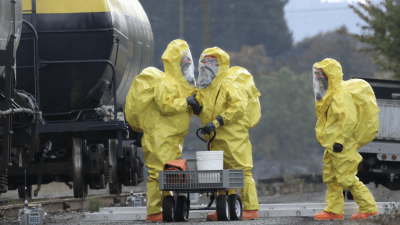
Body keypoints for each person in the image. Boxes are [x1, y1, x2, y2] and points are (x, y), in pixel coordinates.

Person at [125, 39, 201, 222]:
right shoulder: (166, 83)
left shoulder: (186, 85)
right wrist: (186, 103)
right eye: (183, 60)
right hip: (159, 136)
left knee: (169, 173)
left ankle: (168, 206)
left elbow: (188, 105)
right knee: (158, 173)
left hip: (173, 137)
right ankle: (155, 211)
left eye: (187, 60)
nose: (186, 63)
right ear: (174, 61)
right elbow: (165, 105)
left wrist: (196, 107)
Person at [195, 47, 261, 220]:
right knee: (220, 174)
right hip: (215, 138)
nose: (208, 67)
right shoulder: (206, 87)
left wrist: (217, 122)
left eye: (212, 63)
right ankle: (224, 208)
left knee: (242, 170)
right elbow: (205, 109)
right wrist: (195, 106)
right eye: (205, 63)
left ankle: (251, 208)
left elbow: (239, 107)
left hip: (233, 137)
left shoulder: (228, 83)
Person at [312, 58, 380, 221]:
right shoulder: (330, 96)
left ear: (331, 77)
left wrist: (339, 142)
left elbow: (348, 120)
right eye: (319, 79)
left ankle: (369, 208)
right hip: (332, 145)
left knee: (347, 178)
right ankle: (334, 211)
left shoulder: (340, 96)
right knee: (331, 178)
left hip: (341, 145)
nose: (321, 82)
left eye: (323, 78)